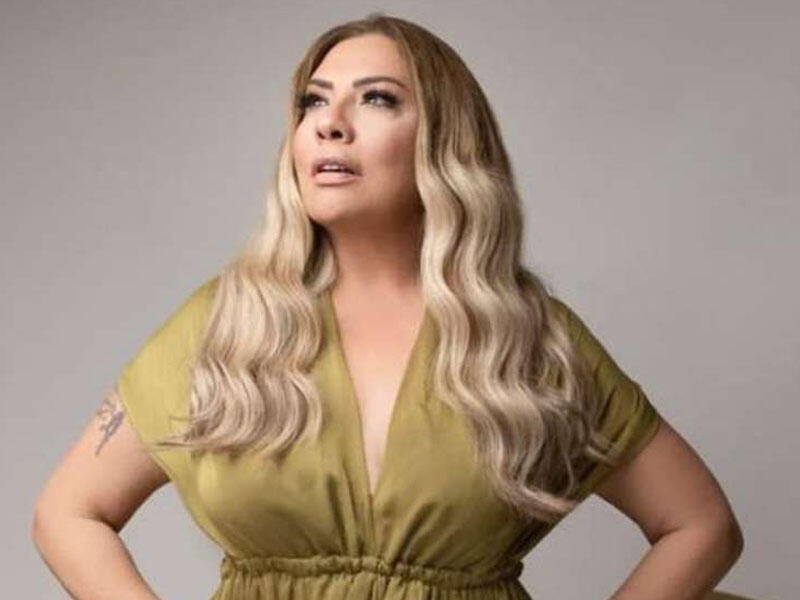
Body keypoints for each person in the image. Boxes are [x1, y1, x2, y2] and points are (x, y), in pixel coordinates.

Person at [31, 12, 743, 600]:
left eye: (376, 99)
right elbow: (68, 513)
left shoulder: (528, 340)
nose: (329, 124)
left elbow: (701, 525)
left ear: (445, 139)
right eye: (313, 102)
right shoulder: (229, 323)